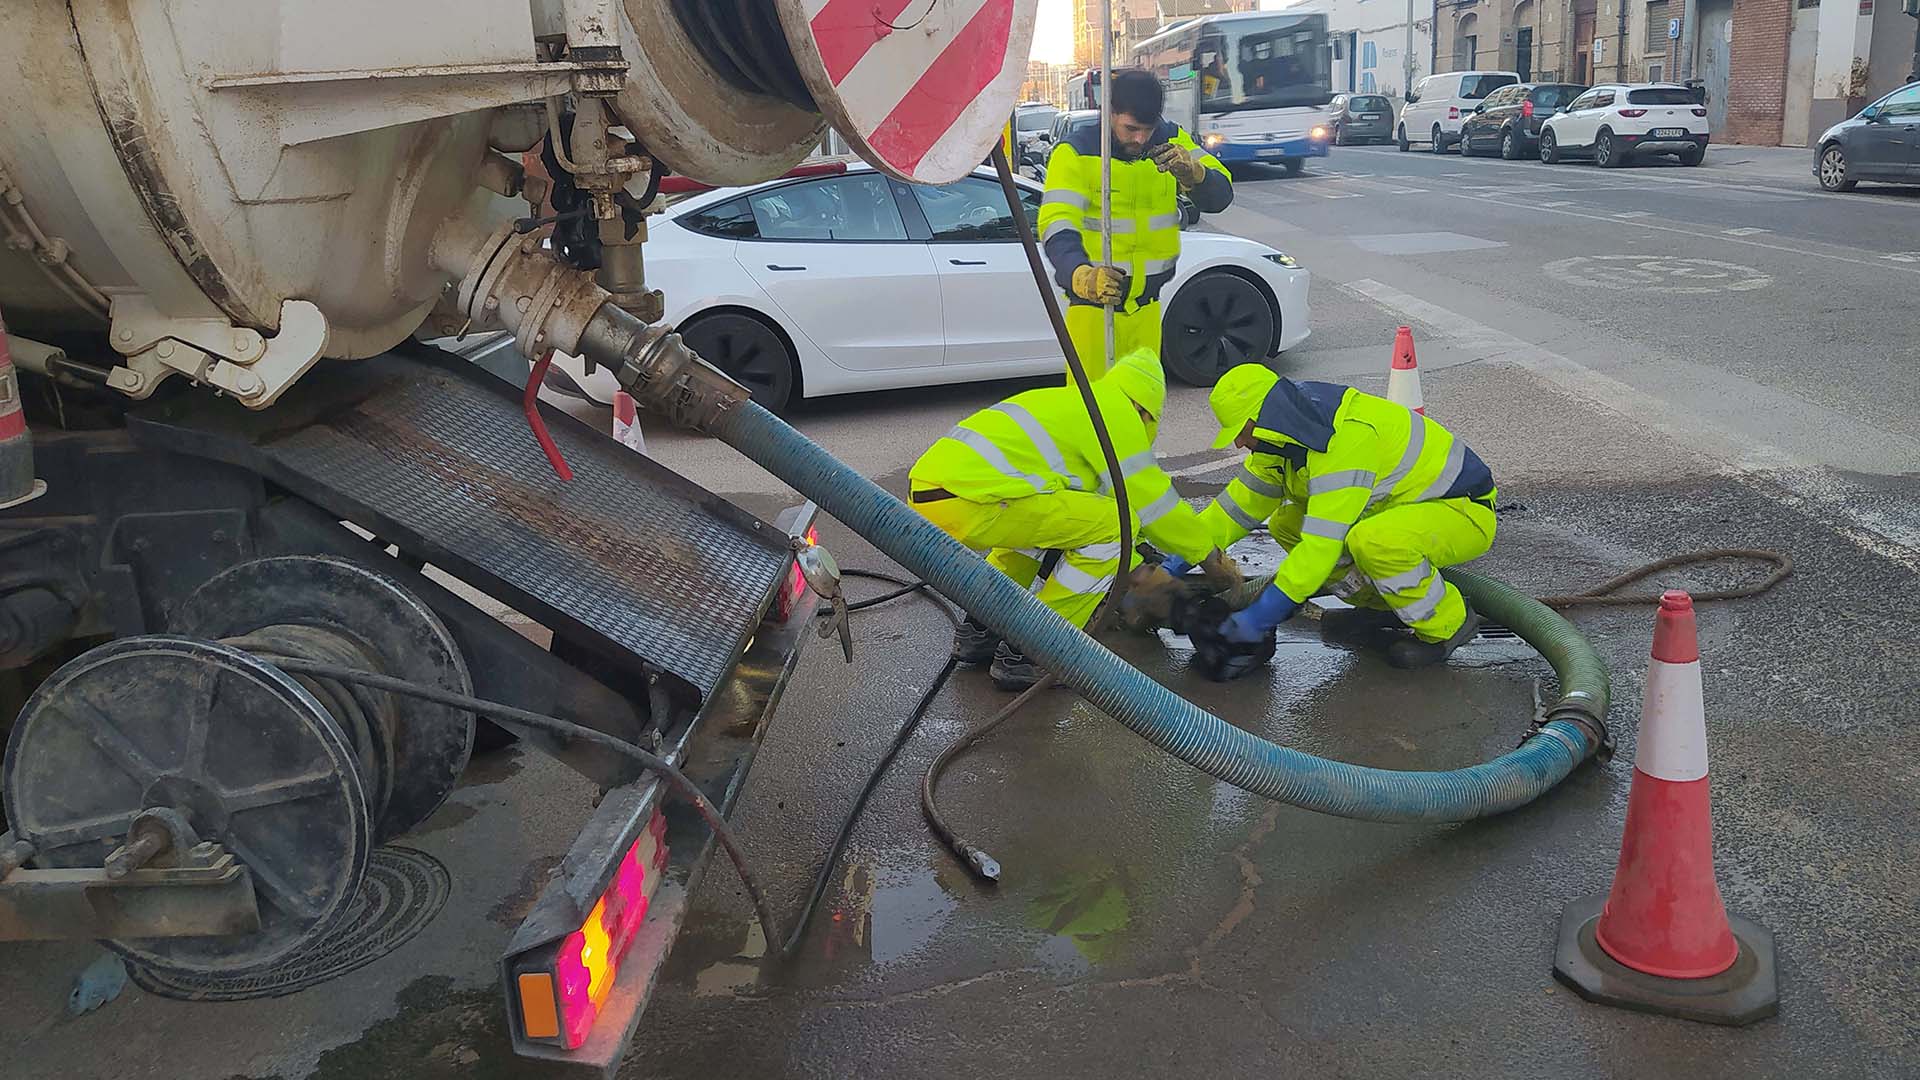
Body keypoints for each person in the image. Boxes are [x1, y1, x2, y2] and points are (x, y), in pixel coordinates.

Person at [908, 350, 1241, 690]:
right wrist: (1209, 557)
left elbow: (1080, 520)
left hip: (933, 495)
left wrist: (1142, 572)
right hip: (972, 499)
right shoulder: (1114, 412)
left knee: (1041, 534)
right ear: (1144, 410)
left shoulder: (1075, 404)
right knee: (1114, 524)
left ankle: (982, 628)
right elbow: (1154, 506)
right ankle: (1038, 649)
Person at [1191, 365, 1499, 681]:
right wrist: (1175, 561)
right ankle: (1383, 608)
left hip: (1460, 509)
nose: (1239, 444)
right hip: (1398, 511)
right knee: (1286, 522)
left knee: (1374, 541)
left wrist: (1261, 615)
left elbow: (1321, 546)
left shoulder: (1344, 439)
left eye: (1241, 432)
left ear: (1263, 421)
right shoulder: (1283, 444)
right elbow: (1232, 512)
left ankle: (1446, 626)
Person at [1038, 68, 1233, 379]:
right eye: (1131, 128)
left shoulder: (1171, 140)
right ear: (1110, 113)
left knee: (1143, 417)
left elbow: (1221, 196)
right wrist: (1080, 274)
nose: (1140, 139)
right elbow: (1056, 223)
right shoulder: (1077, 151)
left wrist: (1194, 174)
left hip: (1148, 310)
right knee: (1093, 420)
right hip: (1093, 312)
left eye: (1147, 128)